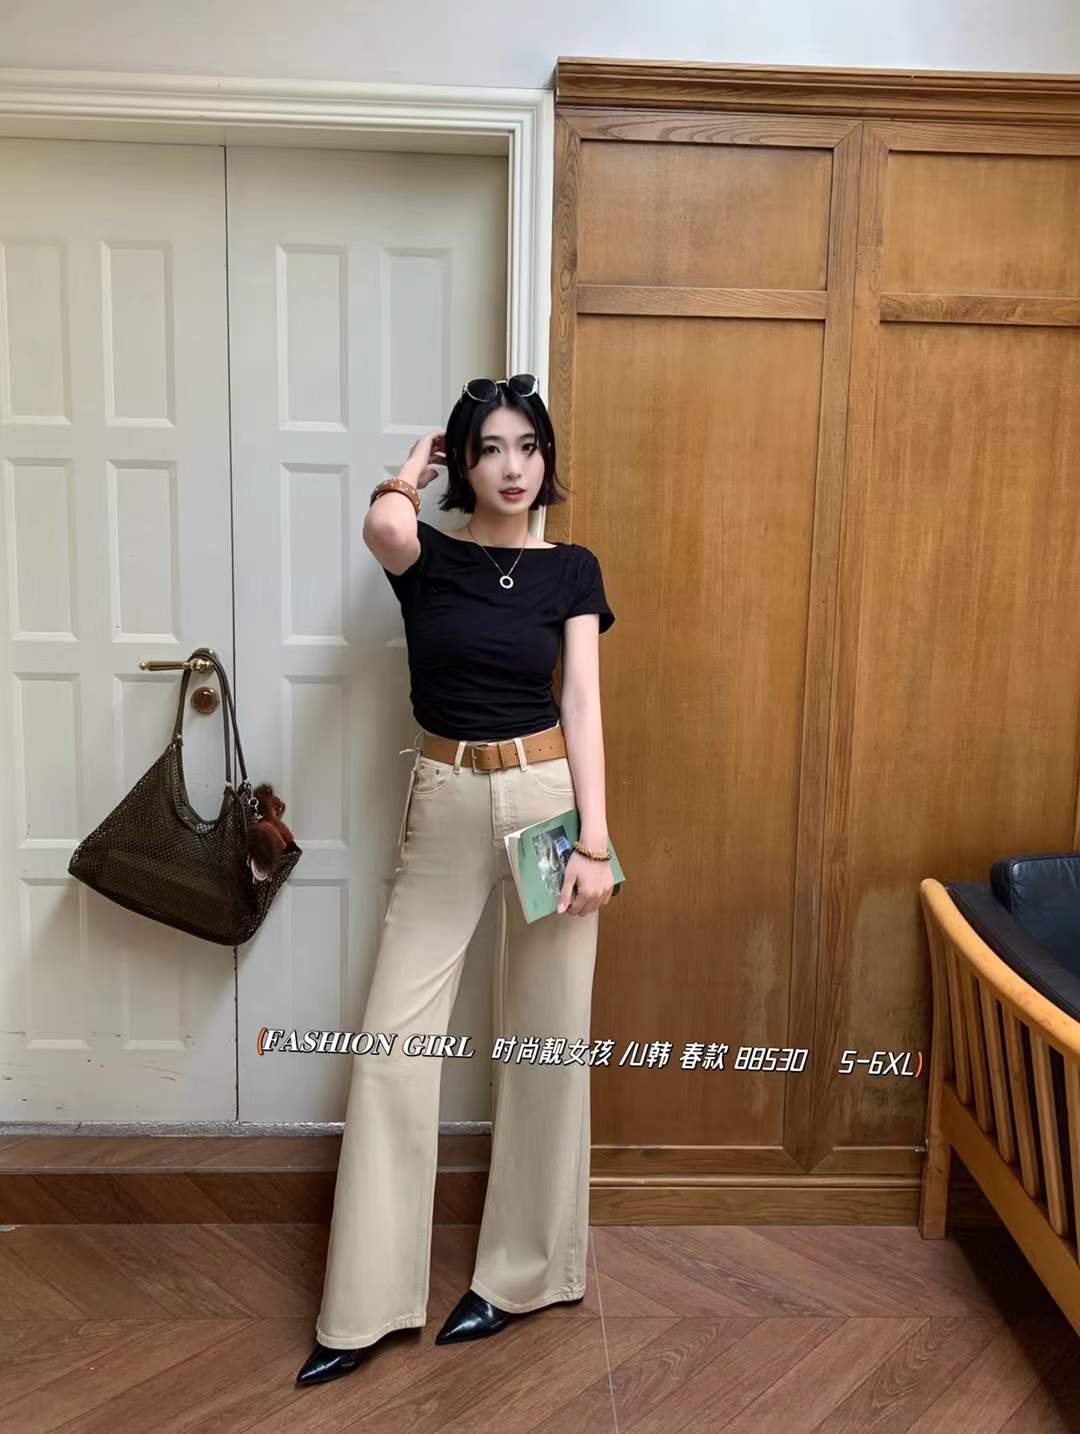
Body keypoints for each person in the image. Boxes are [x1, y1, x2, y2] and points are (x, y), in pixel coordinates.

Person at [296, 374, 616, 1387]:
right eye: (489, 449)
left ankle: (526, 1275)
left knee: (548, 1033)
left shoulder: (573, 569)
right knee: (394, 1040)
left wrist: (596, 841)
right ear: (461, 464)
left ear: (547, 457)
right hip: (445, 794)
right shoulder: (426, 558)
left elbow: (581, 702)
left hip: (547, 801)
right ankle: (364, 1305)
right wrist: (407, 466)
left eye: (528, 447)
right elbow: (384, 526)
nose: (513, 468)